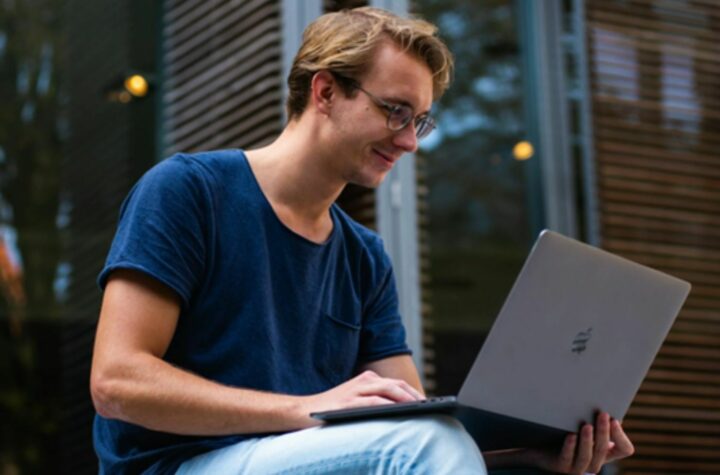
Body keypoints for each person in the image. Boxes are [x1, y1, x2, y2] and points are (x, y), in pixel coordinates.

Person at [90, 7, 634, 474]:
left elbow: (410, 432)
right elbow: (116, 383)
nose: (408, 141)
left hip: (297, 457)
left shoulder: (364, 256)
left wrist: (527, 457)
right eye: (395, 111)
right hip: (177, 465)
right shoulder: (189, 192)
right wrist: (305, 409)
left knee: (432, 432)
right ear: (325, 91)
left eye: (420, 122)